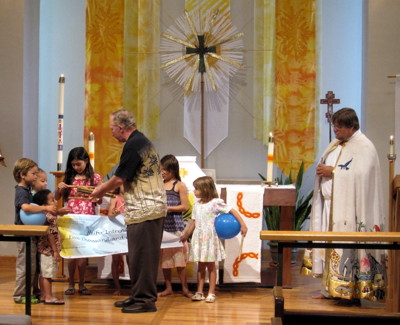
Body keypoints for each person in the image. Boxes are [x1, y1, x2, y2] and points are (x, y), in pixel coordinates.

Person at [302, 107, 386, 304]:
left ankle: (350, 291)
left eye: (339, 127)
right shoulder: (337, 144)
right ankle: (329, 289)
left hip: (350, 210)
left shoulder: (364, 147)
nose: (335, 130)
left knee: (345, 251)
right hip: (330, 208)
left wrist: (333, 172)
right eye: (334, 126)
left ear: (352, 126)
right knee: (329, 249)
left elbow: (362, 176)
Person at [90, 109, 167, 313]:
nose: (111, 132)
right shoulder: (139, 141)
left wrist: (98, 191)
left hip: (146, 209)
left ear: (121, 128)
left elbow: (118, 179)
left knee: (143, 257)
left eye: (111, 128)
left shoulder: (134, 144)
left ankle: (145, 300)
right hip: (143, 209)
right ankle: (137, 295)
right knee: (137, 256)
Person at [180, 176, 248, 303]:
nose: (194, 191)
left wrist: (243, 224)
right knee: (200, 266)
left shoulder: (215, 203)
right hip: (199, 238)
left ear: (205, 189)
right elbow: (194, 222)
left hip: (209, 239)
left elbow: (232, 211)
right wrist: (186, 234)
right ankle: (199, 292)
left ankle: (211, 292)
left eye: (196, 189)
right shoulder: (197, 205)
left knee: (211, 266)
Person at [55, 147, 102, 296]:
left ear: (86, 161)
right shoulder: (68, 177)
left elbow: (100, 199)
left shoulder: (95, 178)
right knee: (71, 253)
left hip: (86, 217)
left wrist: (96, 197)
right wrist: (59, 188)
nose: (76, 167)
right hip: (71, 217)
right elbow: (57, 198)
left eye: (79, 164)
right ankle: (70, 283)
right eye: (74, 164)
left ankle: (82, 284)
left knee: (82, 253)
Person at [12, 158, 57, 304]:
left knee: (31, 266)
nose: (35, 177)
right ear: (22, 175)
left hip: (30, 233)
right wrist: (45, 208)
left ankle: (28, 292)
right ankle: (19, 295)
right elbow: (26, 207)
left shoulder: (27, 190)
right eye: (33, 174)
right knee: (24, 266)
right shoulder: (21, 191)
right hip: (23, 233)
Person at [158, 154, 192, 298]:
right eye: (161, 169)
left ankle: (184, 288)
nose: (163, 172)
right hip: (162, 227)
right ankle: (168, 287)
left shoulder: (179, 185)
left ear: (173, 169)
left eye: (165, 170)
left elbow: (185, 206)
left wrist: (168, 208)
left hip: (176, 227)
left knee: (179, 260)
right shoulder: (159, 184)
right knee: (165, 260)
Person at [33, 189, 65, 305]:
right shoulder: (49, 216)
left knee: (44, 274)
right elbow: (50, 234)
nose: (55, 202)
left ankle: (43, 295)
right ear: (44, 205)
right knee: (48, 275)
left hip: (44, 249)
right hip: (49, 250)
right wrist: (55, 251)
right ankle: (48, 297)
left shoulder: (44, 215)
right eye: (52, 200)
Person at [108, 185, 126, 296]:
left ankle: (135, 286)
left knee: (131, 260)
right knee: (115, 260)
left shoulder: (133, 198)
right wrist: (115, 213)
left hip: (128, 231)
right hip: (117, 232)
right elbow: (110, 214)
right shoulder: (115, 197)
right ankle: (117, 287)